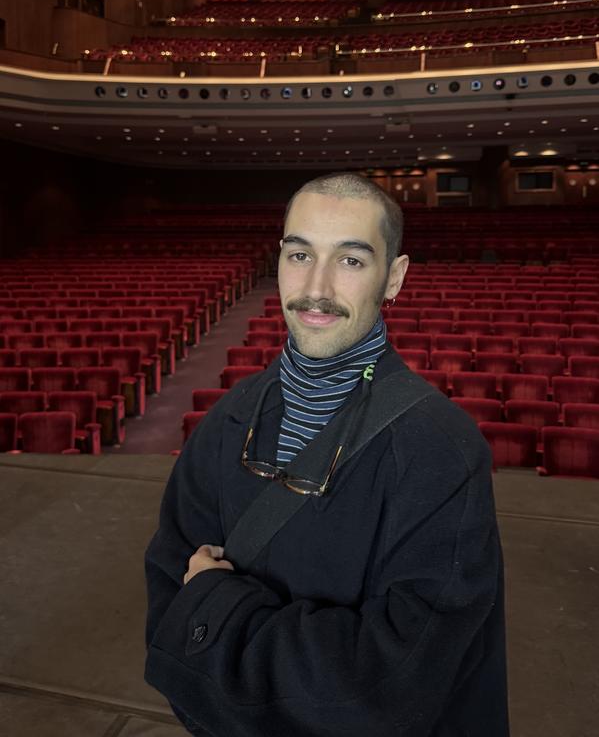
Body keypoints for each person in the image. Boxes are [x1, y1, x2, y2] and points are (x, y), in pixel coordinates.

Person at [144, 172, 510, 737]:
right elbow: (168, 621)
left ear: (394, 277)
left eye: (351, 261)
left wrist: (217, 608)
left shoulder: (443, 452)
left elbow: (389, 689)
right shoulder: (228, 420)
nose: (315, 287)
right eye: (299, 254)